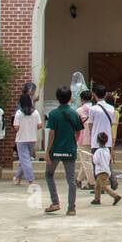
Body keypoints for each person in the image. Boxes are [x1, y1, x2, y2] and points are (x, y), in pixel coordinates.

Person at [44, 86, 83, 215]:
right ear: (70, 97)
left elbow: (52, 134)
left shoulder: (53, 114)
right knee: (71, 179)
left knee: (49, 174)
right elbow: (78, 132)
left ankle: (55, 202)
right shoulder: (74, 113)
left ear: (57, 98)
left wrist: (47, 151)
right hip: (70, 149)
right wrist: (73, 142)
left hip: (55, 150)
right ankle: (71, 208)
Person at [86, 85, 122, 206]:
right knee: (106, 163)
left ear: (94, 94)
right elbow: (112, 124)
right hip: (106, 141)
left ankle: (108, 190)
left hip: (96, 141)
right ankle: (98, 196)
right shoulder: (112, 109)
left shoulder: (93, 109)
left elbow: (90, 126)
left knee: (97, 167)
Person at [11, 90, 41, 186]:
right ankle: (17, 177)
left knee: (25, 160)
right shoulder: (35, 112)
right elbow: (40, 125)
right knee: (25, 159)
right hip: (32, 139)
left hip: (21, 139)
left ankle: (31, 180)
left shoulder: (19, 113)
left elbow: (16, 127)